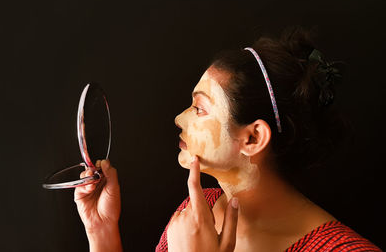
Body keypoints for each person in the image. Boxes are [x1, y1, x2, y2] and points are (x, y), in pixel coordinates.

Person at [73, 28, 382, 252]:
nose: (180, 119)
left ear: (253, 137)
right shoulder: (197, 214)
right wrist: (101, 233)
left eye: (199, 108)